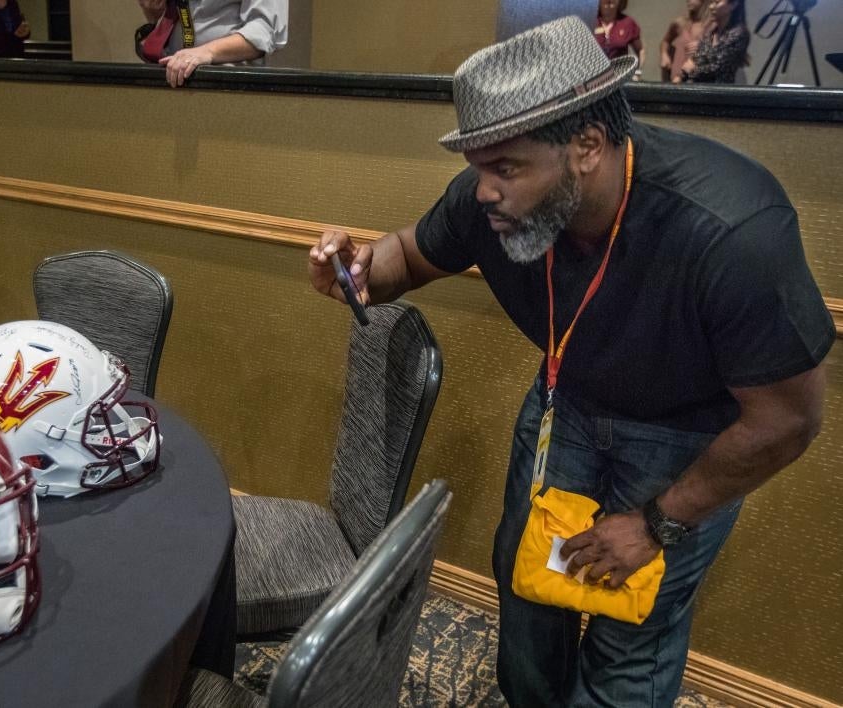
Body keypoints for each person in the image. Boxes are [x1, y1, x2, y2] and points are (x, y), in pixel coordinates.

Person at [308, 16, 833, 706]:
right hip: (569, 409)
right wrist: (357, 269)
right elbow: (406, 256)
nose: (482, 190)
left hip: (688, 440)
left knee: (628, 629)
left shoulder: (731, 228)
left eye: (505, 167)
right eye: (476, 167)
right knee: (528, 588)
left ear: (586, 145)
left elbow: (788, 420)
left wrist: (657, 523)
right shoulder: (484, 201)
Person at [136, 0, 287, 87]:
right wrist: (154, 10)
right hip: (171, 80)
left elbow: (264, 31)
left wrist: (206, 52)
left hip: (227, 87)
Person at [682, 0, 749, 83]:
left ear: (733, 5)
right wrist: (681, 75)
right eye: (711, 2)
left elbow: (717, 67)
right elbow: (697, 59)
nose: (711, 7)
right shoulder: (711, 33)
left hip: (718, 92)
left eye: (716, 2)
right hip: (699, 90)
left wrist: (692, 69)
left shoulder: (739, 33)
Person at [594, 0, 644, 80]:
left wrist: (637, 72)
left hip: (620, 78)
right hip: (594, 79)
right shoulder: (589, 21)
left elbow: (640, 50)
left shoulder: (628, 22)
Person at [660, 0, 709, 83]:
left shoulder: (709, 25)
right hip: (676, 80)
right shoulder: (680, 23)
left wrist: (702, 46)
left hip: (698, 80)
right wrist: (664, 54)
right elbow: (665, 41)